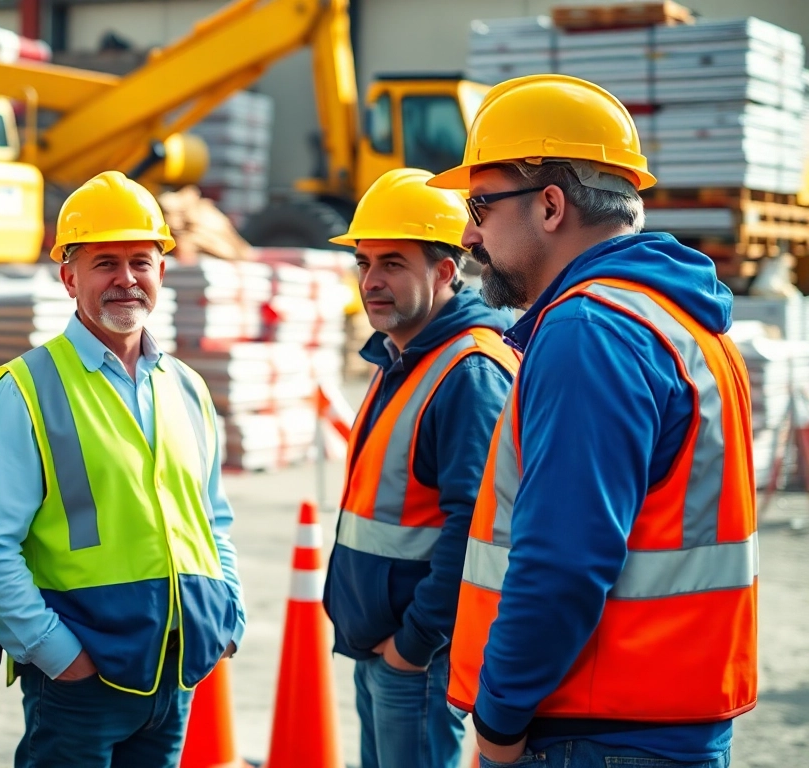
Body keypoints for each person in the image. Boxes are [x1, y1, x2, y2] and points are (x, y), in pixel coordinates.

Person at [429, 74, 757, 768]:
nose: (468, 232)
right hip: (656, 721)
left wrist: (497, 724)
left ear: (550, 205)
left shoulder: (591, 331)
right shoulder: (675, 319)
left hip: (593, 731)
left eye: (481, 204)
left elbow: (562, 565)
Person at [0, 171, 245, 768]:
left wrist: (226, 613)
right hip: (80, 685)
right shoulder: (26, 388)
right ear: (68, 277)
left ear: (162, 273)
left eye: (140, 261)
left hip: (176, 674)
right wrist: (56, 653)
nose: (126, 279)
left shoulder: (187, 388)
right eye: (104, 263)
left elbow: (212, 519)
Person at [322, 168, 518, 768]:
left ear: (444, 271)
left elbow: (477, 529)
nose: (372, 282)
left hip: (417, 657)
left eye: (393, 264)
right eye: (364, 262)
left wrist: (413, 644)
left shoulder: (468, 374)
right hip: (380, 647)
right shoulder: (399, 355)